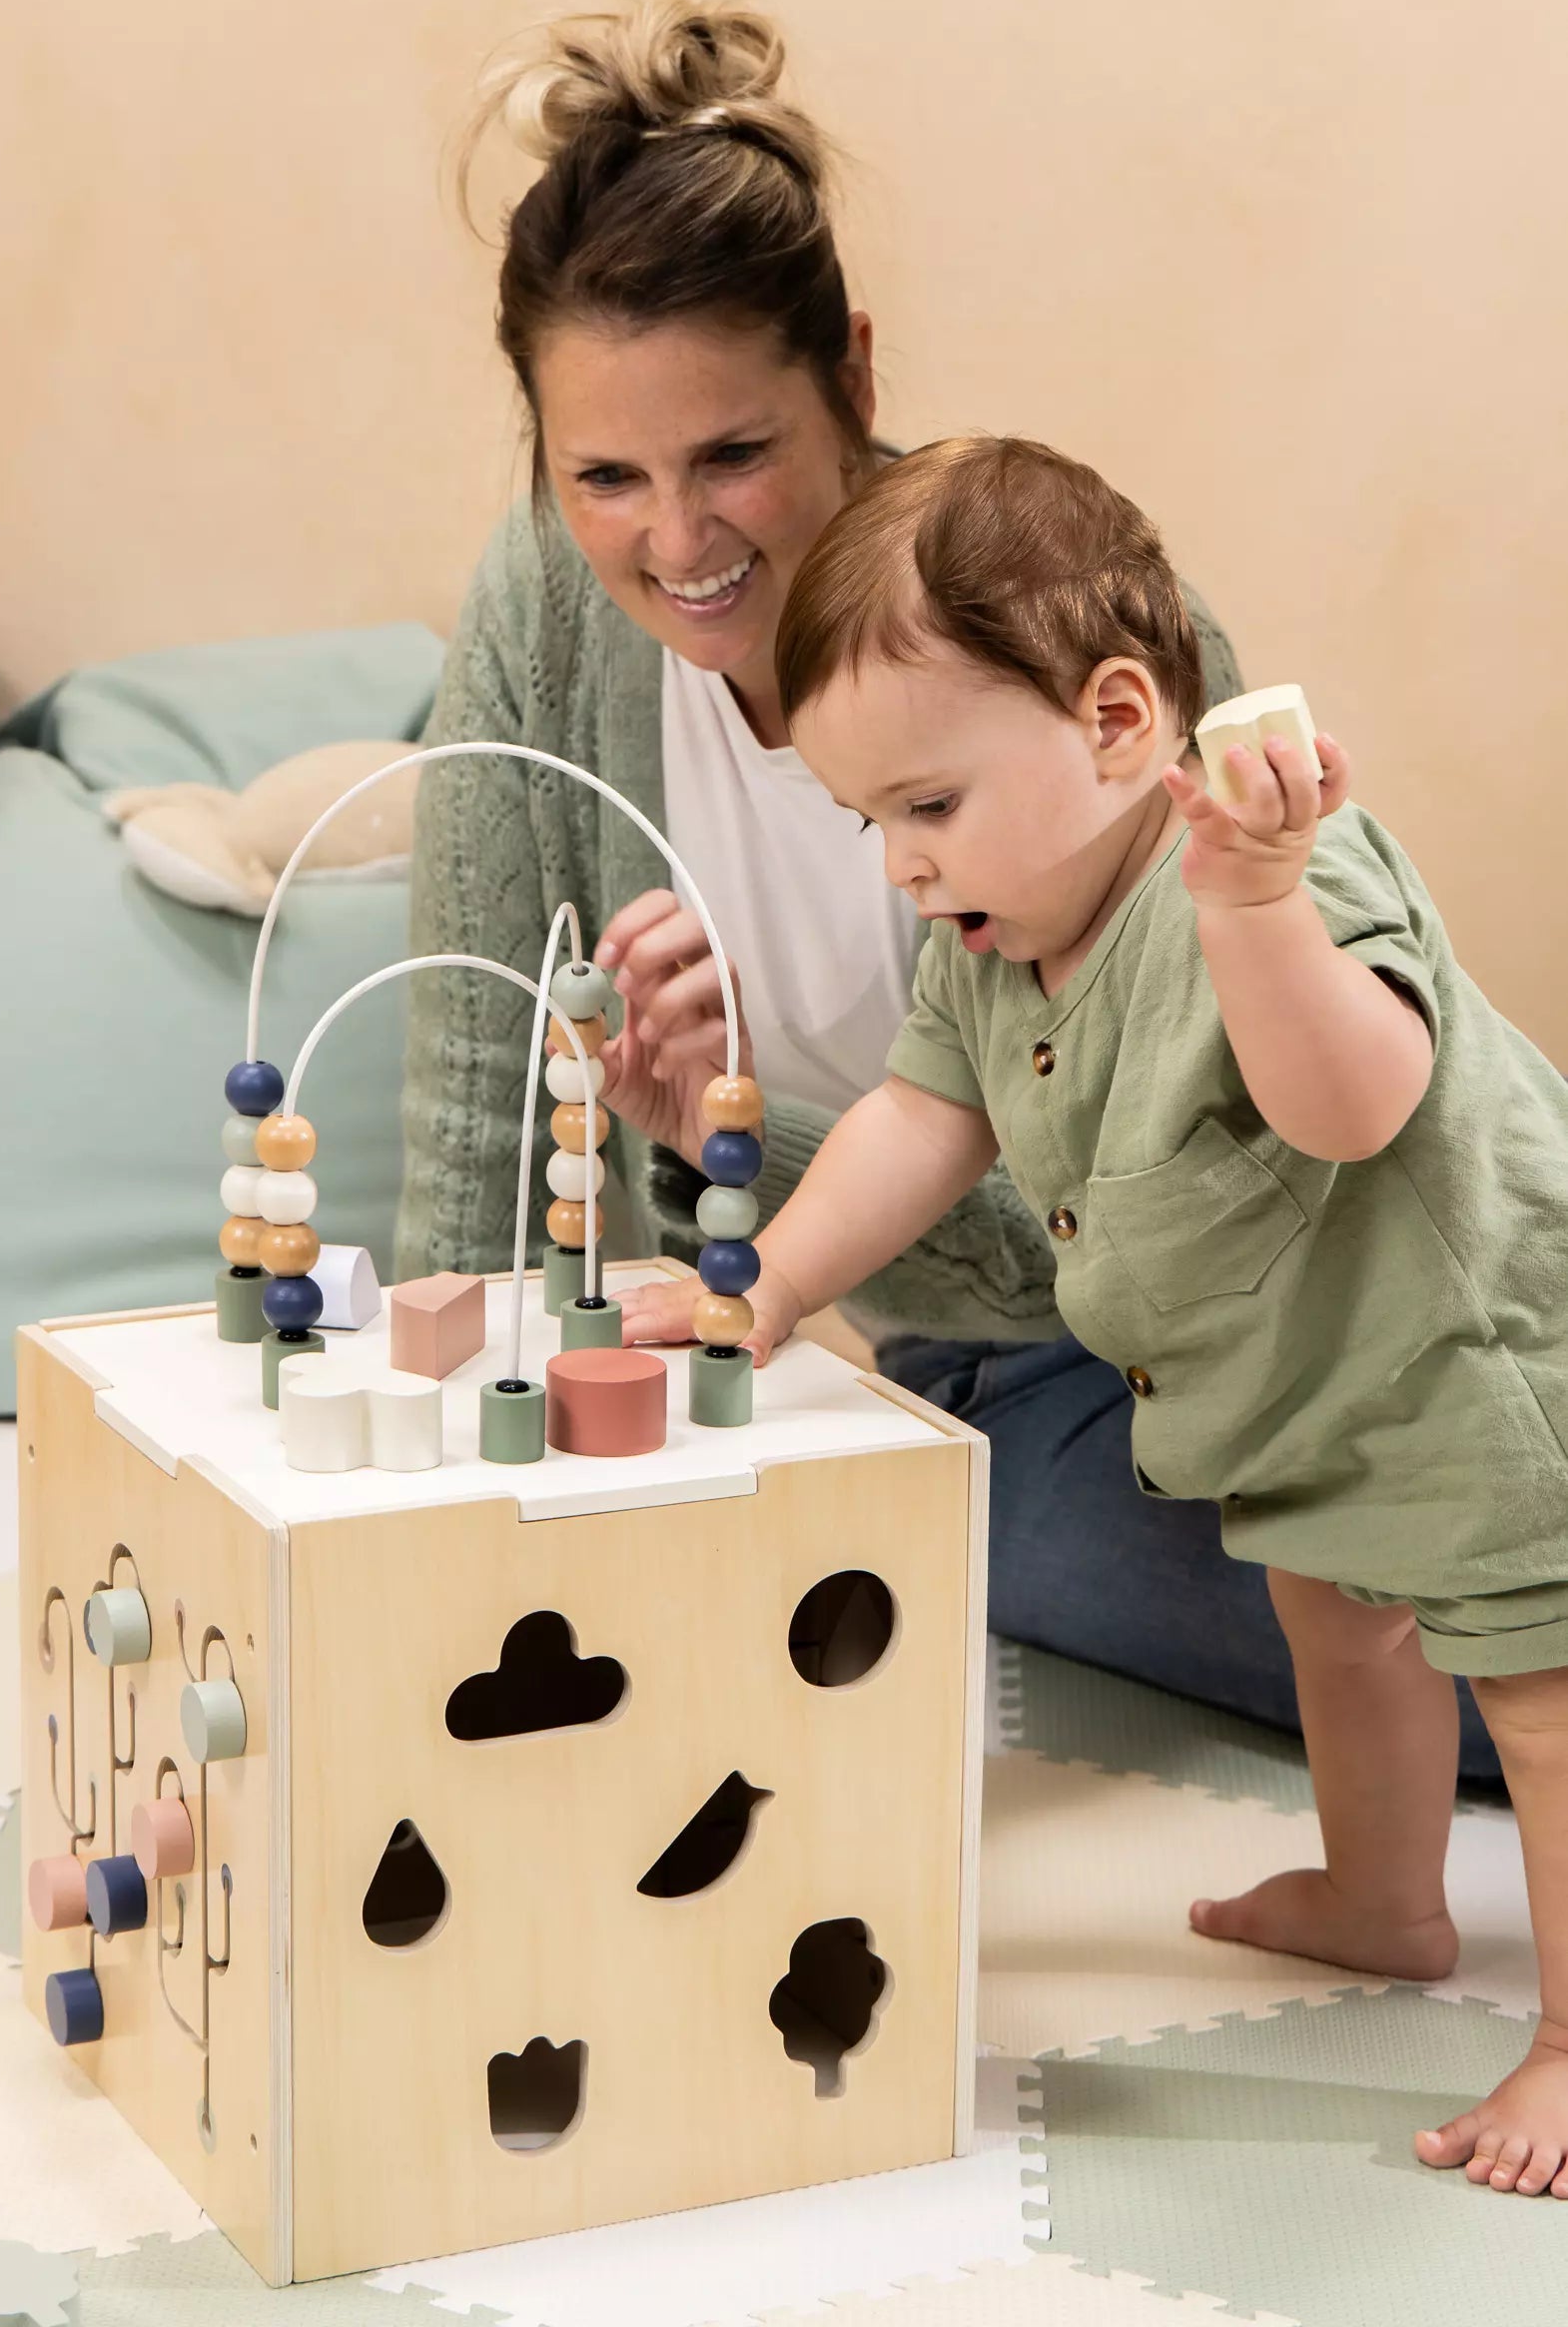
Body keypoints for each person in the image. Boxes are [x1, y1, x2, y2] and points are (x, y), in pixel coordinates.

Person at [398, 0, 1498, 1780]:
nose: (675, 544)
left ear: (855, 369)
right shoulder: (539, 616)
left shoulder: (1053, 626)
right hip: (923, 1380)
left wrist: (737, 1153)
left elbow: (1195, 1202)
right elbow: (471, 1101)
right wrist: (431, 1467)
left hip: (1211, 1338)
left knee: (1480, 1595)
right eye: (604, 475)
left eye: (732, 455)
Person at [620, 431, 1568, 2194]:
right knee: (1336, 1637)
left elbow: (1353, 1107)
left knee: (1536, 1698)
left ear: (1120, 726)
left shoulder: (1272, 872)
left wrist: (1258, 911)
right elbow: (917, 1120)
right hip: (1313, 1402)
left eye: (927, 806)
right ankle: (1386, 1901)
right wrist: (775, 1292)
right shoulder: (988, 943)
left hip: (1489, 1364)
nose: (900, 865)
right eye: (866, 822)